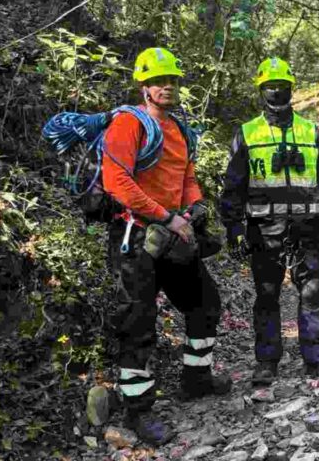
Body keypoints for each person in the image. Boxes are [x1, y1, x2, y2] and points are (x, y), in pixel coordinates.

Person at [103, 47, 230, 445]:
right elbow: (117, 182)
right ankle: (139, 411)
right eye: (160, 81)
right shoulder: (128, 125)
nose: (167, 86)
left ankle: (196, 378)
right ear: (144, 86)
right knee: (137, 323)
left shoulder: (177, 128)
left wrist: (192, 205)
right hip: (137, 237)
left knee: (205, 304)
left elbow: (186, 174)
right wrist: (165, 215)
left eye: (173, 80)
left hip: (175, 232)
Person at [220, 57, 319, 386]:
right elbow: (232, 188)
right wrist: (233, 230)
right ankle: (266, 360)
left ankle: (318, 357)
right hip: (264, 232)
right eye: (269, 86)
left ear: (293, 88)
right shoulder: (247, 133)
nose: (276, 91)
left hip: (308, 230)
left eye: (282, 85)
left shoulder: (310, 131)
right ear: (261, 90)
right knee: (266, 296)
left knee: (313, 292)